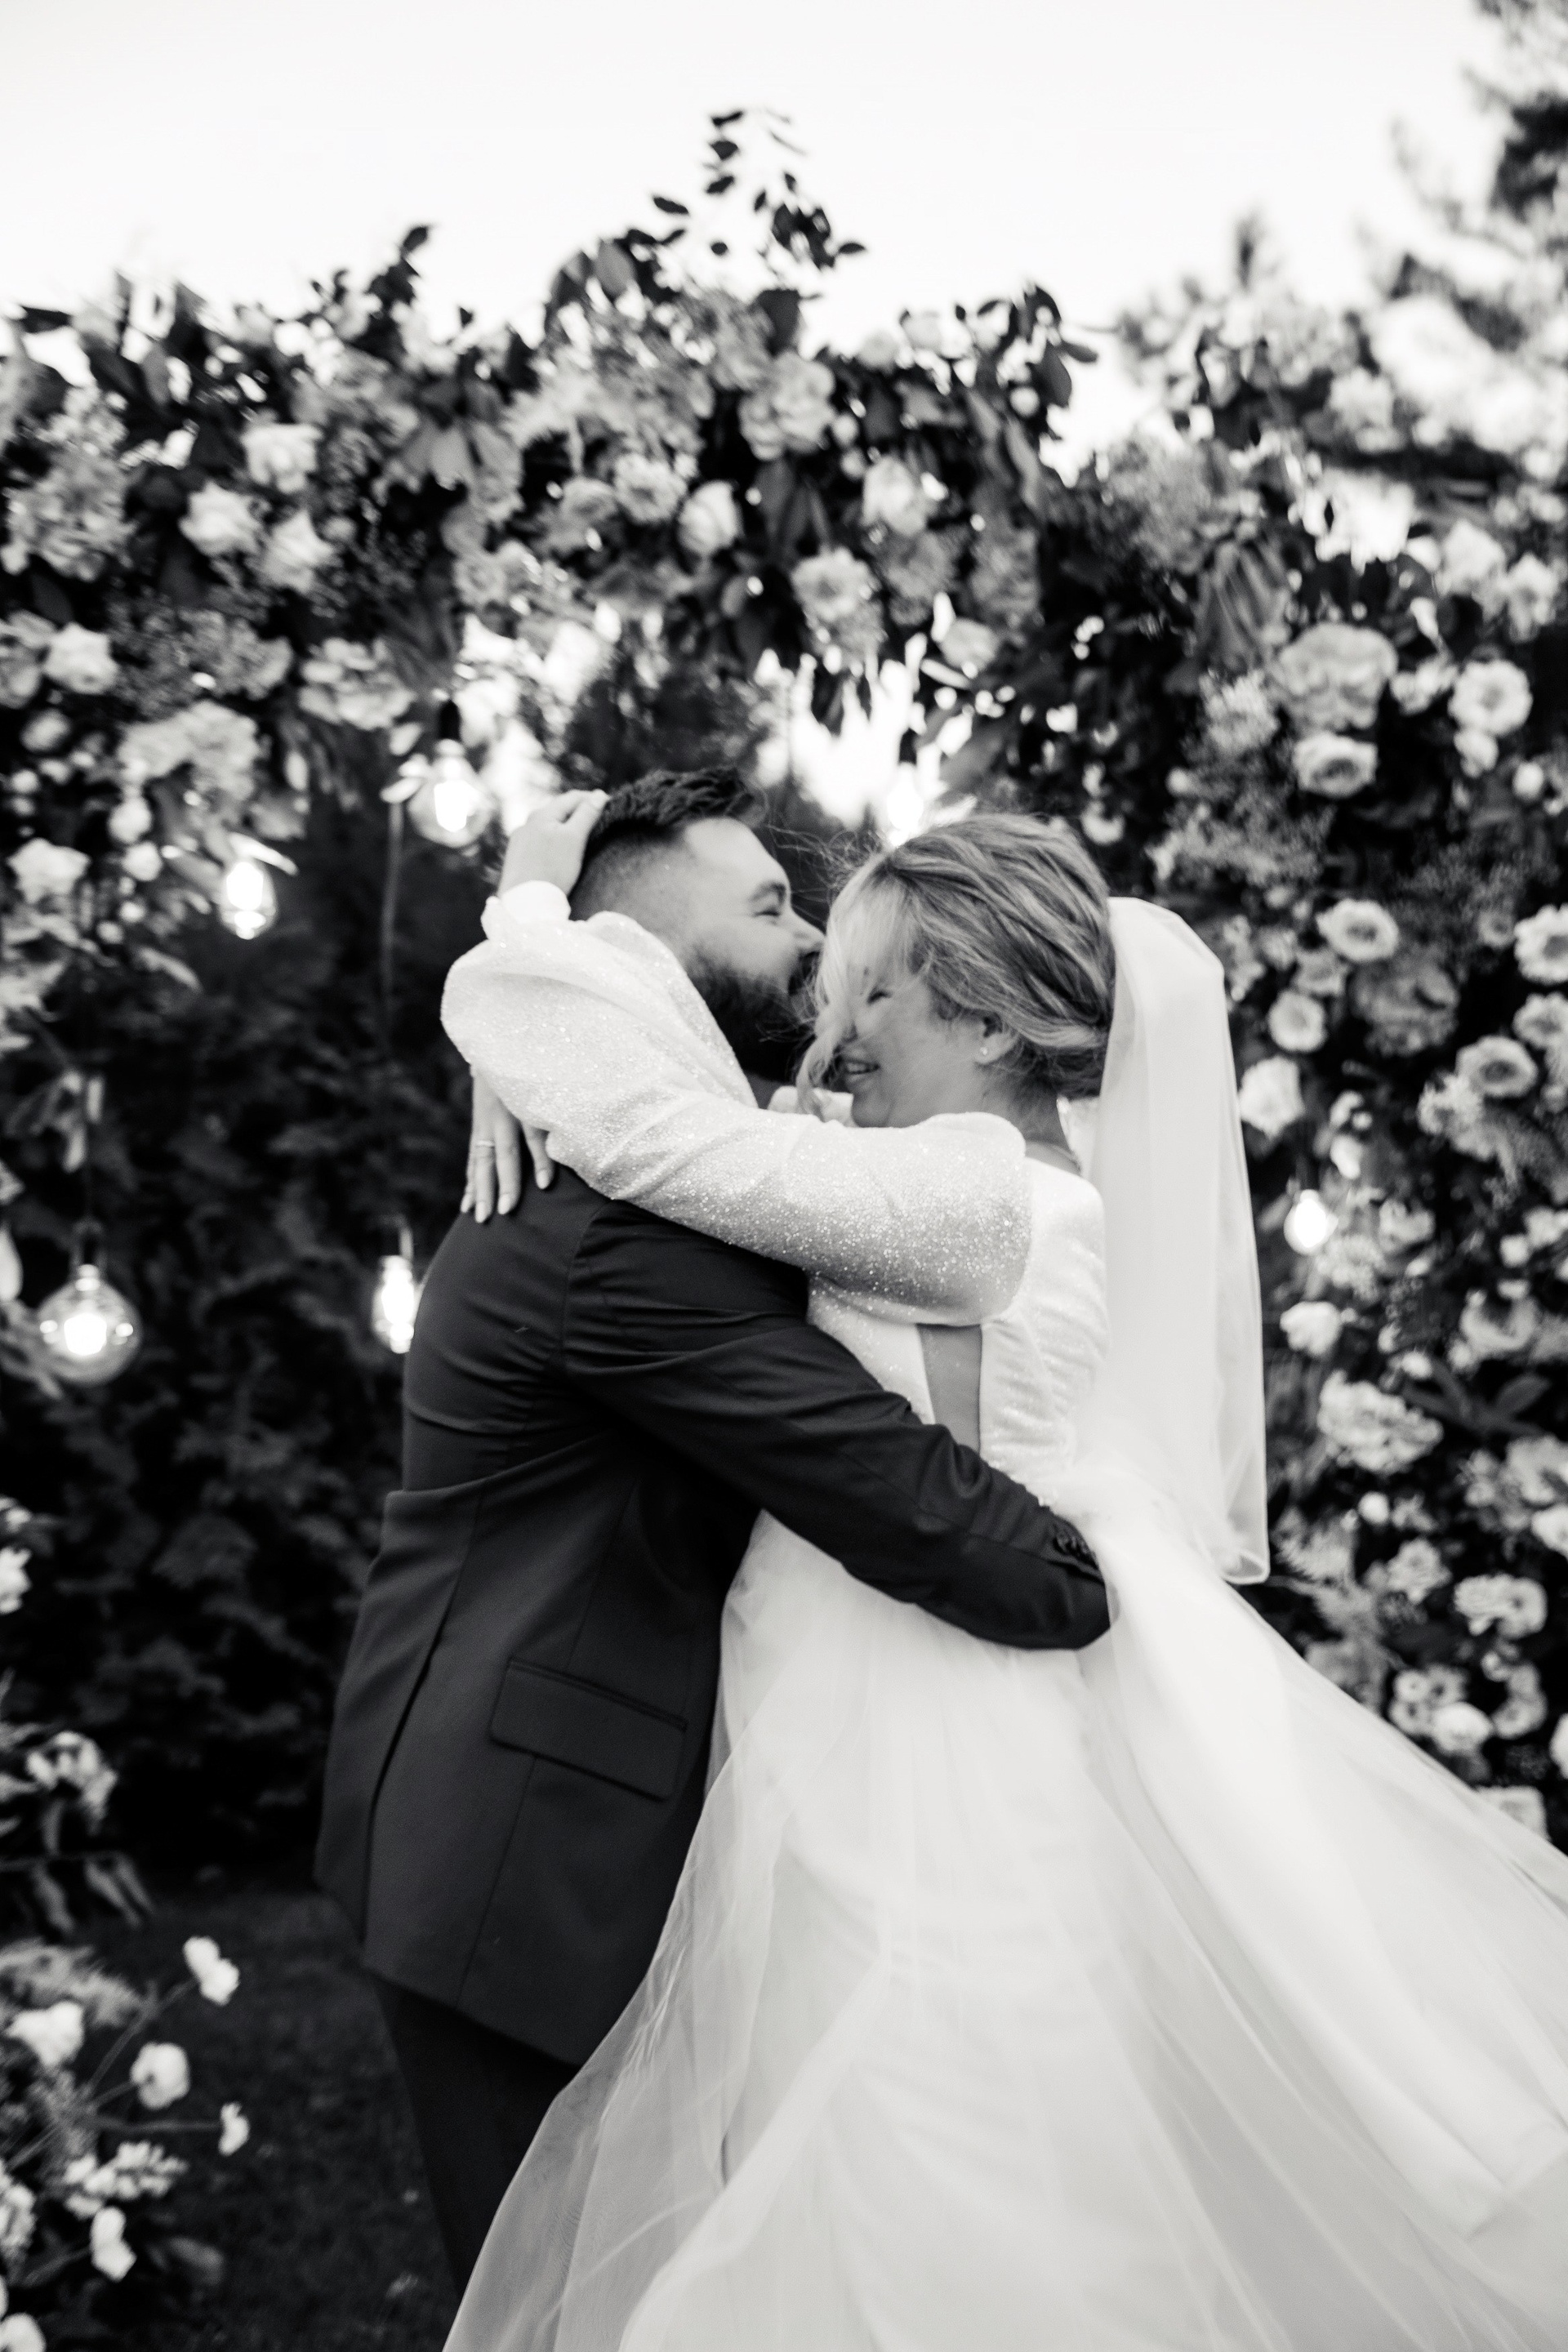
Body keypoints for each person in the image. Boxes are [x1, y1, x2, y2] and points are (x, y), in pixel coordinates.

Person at [441, 798, 1568, 2351]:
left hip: (913, 1704)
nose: (837, 1030)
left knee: (930, 2125)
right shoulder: (936, 1174)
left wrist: (526, 921)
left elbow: (655, 1132)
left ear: (982, 1021)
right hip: (880, 1654)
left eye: (876, 992)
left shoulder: (975, 1198)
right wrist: (518, 1055)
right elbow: (662, 1102)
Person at [314, 769, 1110, 2294]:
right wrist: (1081, 1575)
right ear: (645, 957)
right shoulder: (628, 1230)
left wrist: (522, 972)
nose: (815, 950)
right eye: (771, 909)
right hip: (524, 1851)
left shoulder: (649, 1154)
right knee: (573, 2303)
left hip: (548, 1787)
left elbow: (674, 1116)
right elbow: (894, 1488)